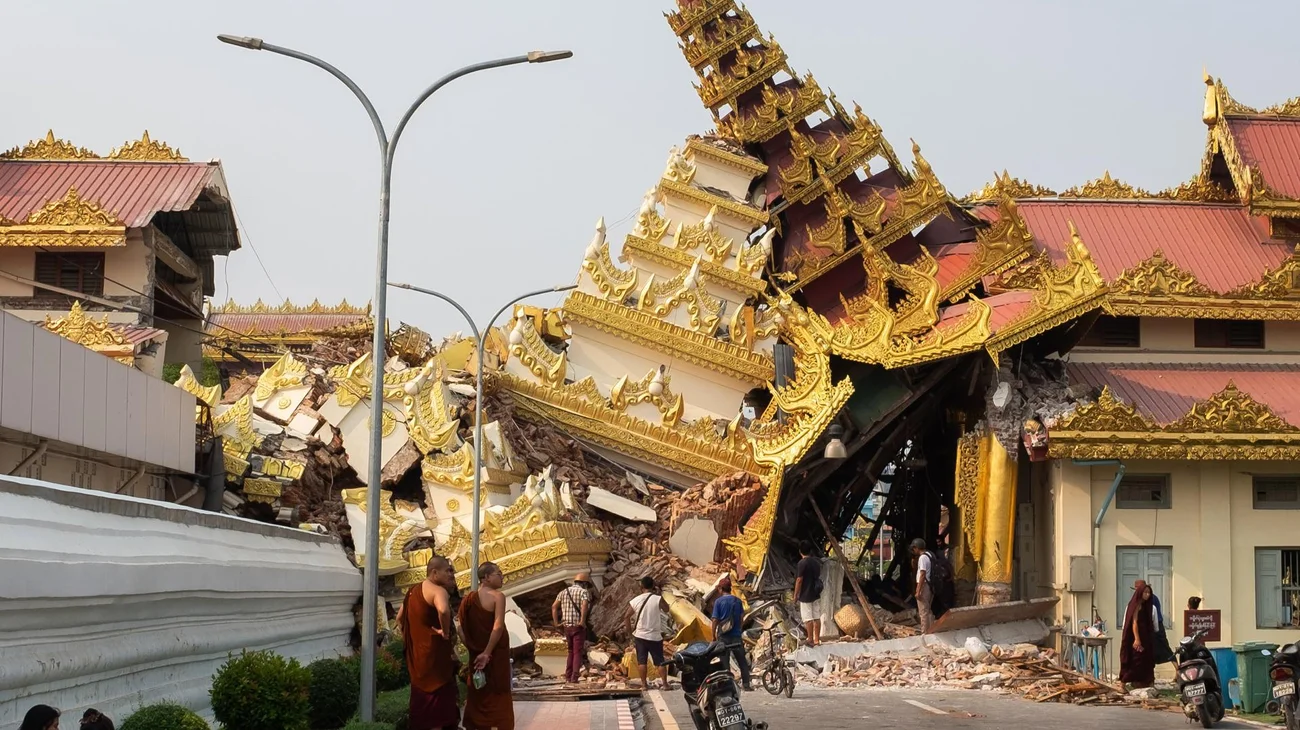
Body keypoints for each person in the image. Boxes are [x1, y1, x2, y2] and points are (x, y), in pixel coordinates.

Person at [399, 554, 461, 730]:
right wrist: (445, 631)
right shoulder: (438, 591)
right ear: (434, 572)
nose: (451, 574)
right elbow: (443, 610)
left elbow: (399, 618)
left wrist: (413, 637)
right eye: (448, 570)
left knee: (422, 706)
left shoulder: (413, 591)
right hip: (435, 658)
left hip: (419, 657)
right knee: (440, 705)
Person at [459, 561, 513, 730]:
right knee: (499, 691)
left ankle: (479, 725)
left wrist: (474, 650)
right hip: (495, 654)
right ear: (486, 577)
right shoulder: (498, 596)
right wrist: (487, 652)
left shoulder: (468, 599)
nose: (502, 576)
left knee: (478, 692)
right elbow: (497, 626)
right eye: (498, 573)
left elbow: (460, 629)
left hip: (477, 656)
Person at [626, 575, 671, 690]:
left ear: (641, 586)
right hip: (655, 636)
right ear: (653, 586)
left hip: (640, 635)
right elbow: (667, 609)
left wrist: (630, 633)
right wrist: (659, 593)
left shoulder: (636, 600)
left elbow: (626, 616)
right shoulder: (657, 598)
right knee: (660, 661)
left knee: (642, 661)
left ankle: (644, 685)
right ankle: (665, 684)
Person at [709, 577, 752, 691]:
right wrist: (738, 629)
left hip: (723, 636)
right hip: (736, 636)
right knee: (741, 660)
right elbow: (741, 618)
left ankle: (728, 686)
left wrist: (713, 635)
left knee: (724, 662)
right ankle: (746, 684)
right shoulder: (737, 601)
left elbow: (715, 620)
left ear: (721, 589)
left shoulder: (718, 602)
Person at [552, 572, 592, 684]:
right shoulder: (583, 592)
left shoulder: (563, 592)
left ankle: (568, 676)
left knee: (570, 651)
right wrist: (582, 621)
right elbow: (584, 605)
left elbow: (554, 607)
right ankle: (574, 677)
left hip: (566, 626)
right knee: (577, 652)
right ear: (584, 583)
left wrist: (556, 623)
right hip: (578, 627)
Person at [1120, 580, 1157, 689]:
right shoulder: (1136, 605)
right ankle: (1123, 683)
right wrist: (1137, 639)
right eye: (1145, 592)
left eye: (1149, 593)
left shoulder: (1147, 605)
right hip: (1137, 638)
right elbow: (1134, 622)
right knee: (1136, 661)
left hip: (1146, 638)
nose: (1147, 595)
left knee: (1147, 660)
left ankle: (1146, 682)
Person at [792, 540, 823, 647]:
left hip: (805, 594)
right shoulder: (816, 562)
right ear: (810, 551)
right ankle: (817, 639)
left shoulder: (802, 563)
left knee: (808, 618)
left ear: (800, 551)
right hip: (816, 592)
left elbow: (799, 580)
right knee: (816, 617)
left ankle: (810, 639)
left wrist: (795, 595)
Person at [1148, 586, 1178, 672]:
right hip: (1155, 625)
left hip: (1156, 625)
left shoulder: (1151, 599)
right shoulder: (1153, 598)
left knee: (1165, 648)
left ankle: (1177, 671)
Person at [910, 538, 934, 634]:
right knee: (928, 610)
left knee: (923, 611)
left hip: (924, 586)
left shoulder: (922, 558)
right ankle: (932, 630)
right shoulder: (930, 555)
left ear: (917, 548)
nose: (913, 551)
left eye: (914, 548)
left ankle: (925, 632)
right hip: (930, 585)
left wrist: (918, 590)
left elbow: (922, 574)